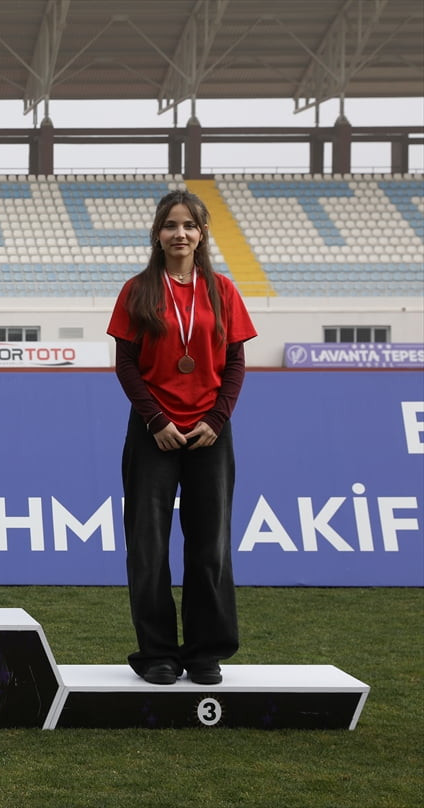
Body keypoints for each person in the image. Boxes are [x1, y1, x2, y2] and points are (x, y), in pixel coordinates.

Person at [106, 189, 257, 686]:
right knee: (147, 547)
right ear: (157, 233)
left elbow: (235, 362)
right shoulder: (137, 290)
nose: (180, 234)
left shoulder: (224, 291)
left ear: (202, 234)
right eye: (171, 225)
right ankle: (157, 655)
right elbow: (126, 364)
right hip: (155, 432)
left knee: (209, 545)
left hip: (211, 433)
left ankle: (203, 652)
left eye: (189, 225)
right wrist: (155, 420)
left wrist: (217, 419)